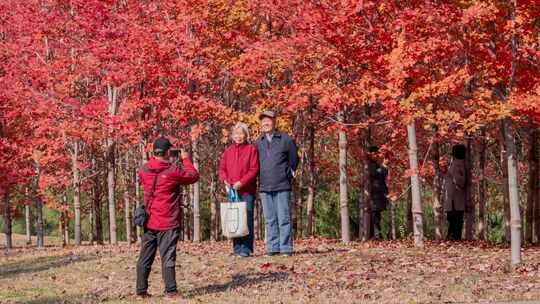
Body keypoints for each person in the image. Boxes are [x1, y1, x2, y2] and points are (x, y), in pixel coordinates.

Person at [136, 137, 199, 299]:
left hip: (149, 221)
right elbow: (193, 176)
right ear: (167, 152)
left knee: (145, 257)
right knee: (168, 256)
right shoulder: (172, 171)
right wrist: (185, 159)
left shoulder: (144, 169)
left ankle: (141, 291)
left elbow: (146, 180)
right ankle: (171, 291)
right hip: (168, 222)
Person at [256, 110, 298, 256]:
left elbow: (294, 159)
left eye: (268, 121)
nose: (266, 123)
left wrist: (289, 174)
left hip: (282, 185)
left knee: (284, 218)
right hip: (265, 186)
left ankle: (286, 248)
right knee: (269, 220)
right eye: (263, 121)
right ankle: (273, 248)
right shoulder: (258, 142)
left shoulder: (285, 139)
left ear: (275, 122)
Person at [219, 122, 259, 257]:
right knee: (234, 218)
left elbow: (254, 169)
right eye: (236, 134)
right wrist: (225, 182)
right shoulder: (228, 151)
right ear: (232, 136)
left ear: (245, 135)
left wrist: (241, 182)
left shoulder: (251, 149)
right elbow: (222, 169)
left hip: (246, 190)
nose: (238, 136)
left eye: (241, 133)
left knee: (246, 218)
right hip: (232, 190)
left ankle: (246, 249)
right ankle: (237, 248)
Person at [443, 144, 467, 241]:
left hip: (455, 198)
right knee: (455, 220)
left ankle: (453, 239)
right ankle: (452, 238)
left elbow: (460, 180)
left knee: (455, 220)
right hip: (453, 198)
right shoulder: (457, 164)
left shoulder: (457, 164)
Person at [367, 146, 389, 240]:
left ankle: (377, 236)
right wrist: (383, 166)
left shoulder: (375, 164)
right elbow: (375, 174)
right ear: (370, 154)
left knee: (377, 215)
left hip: (378, 194)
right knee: (374, 215)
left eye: (377, 153)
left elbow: (382, 175)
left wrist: (384, 166)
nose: (377, 155)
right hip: (374, 194)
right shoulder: (370, 164)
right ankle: (376, 236)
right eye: (375, 154)